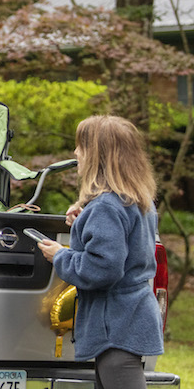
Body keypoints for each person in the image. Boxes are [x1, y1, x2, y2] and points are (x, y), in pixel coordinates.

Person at [38, 115, 164, 389]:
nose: (75, 153)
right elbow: (122, 243)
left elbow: (102, 269)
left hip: (116, 328)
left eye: (81, 146)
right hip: (131, 321)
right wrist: (83, 221)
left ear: (97, 155)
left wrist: (60, 255)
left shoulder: (106, 207)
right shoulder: (138, 201)